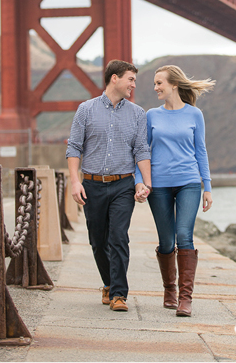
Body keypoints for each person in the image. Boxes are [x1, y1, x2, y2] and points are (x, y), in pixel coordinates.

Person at [67, 60, 152, 313]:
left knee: (118, 237)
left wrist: (145, 184)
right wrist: (74, 182)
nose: (133, 85)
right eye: (130, 79)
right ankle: (108, 283)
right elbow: (74, 148)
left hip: (123, 185)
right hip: (92, 185)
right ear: (114, 78)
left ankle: (118, 294)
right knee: (98, 240)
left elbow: (141, 150)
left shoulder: (138, 113)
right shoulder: (85, 110)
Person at [134, 64, 214, 317]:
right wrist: (141, 181)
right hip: (159, 185)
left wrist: (207, 186)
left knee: (184, 236)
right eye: (155, 83)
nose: (155, 87)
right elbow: (142, 151)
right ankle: (169, 289)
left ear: (174, 85)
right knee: (167, 241)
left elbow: (200, 150)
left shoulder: (194, 114)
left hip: (189, 182)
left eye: (159, 83)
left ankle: (185, 298)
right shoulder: (151, 115)